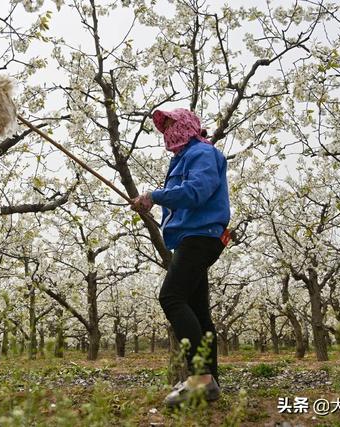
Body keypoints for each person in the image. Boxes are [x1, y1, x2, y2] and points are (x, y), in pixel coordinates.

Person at [131, 108, 231, 407]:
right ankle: (209, 382)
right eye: (165, 127)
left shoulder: (202, 153)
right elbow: (180, 196)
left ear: (188, 125)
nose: (168, 131)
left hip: (201, 235)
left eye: (173, 124)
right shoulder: (182, 159)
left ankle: (200, 379)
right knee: (198, 310)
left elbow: (197, 191)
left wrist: (156, 196)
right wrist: (149, 201)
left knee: (171, 297)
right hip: (193, 236)